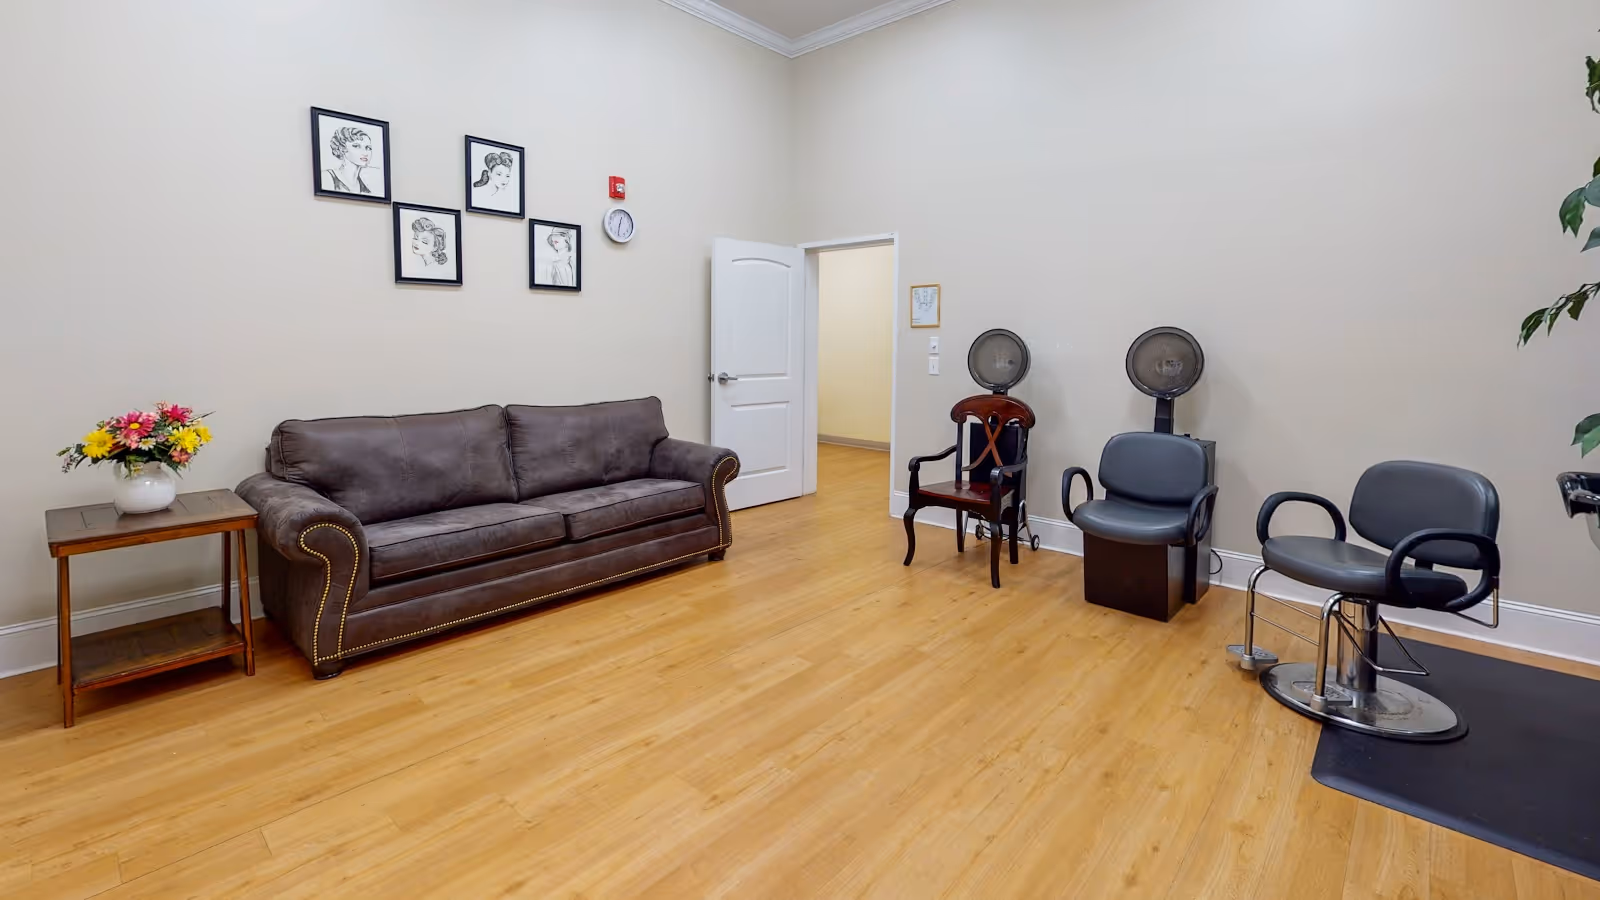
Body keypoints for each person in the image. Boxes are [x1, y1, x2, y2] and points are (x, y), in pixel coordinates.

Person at [323, 126, 379, 195]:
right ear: (342, 148)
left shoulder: (367, 187)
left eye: (368, 148)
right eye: (356, 146)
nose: (365, 152)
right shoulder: (327, 177)